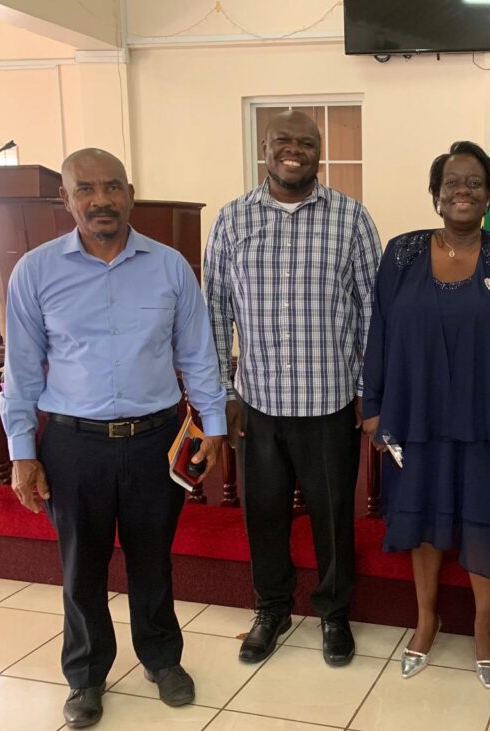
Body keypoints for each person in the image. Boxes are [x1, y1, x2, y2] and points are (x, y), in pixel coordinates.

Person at [0, 148, 227, 728]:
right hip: (73, 446)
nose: (100, 200)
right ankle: (86, 675)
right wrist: (22, 453)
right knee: (82, 568)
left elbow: (198, 354)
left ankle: (161, 659)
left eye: (111, 187)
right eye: (85, 189)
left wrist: (215, 426)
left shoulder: (170, 266)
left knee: (153, 560)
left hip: (156, 440)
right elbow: (20, 373)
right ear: (66, 199)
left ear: (129, 192)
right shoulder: (35, 272)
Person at [362, 141, 490, 688]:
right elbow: (379, 331)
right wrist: (373, 407)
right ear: (436, 194)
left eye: (474, 183)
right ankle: (426, 620)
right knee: (421, 519)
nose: (462, 190)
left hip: (487, 420)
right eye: (452, 182)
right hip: (415, 416)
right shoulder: (402, 253)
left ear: (489, 196)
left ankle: (484, 625)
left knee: (483, 519)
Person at [205, 109, 381, 667]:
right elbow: (215, 312)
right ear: (265, 147)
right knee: (263, 515)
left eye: (306, 143)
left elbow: (374, 311)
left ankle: (334, 613)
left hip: (329, 402)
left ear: (318, 151)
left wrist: (367, 388)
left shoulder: (351, 219)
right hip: (257, 403)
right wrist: (222, 395)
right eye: (283, 140)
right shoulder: (232, 220)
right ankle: (272, 608)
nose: (294, 150)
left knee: (333, 517)